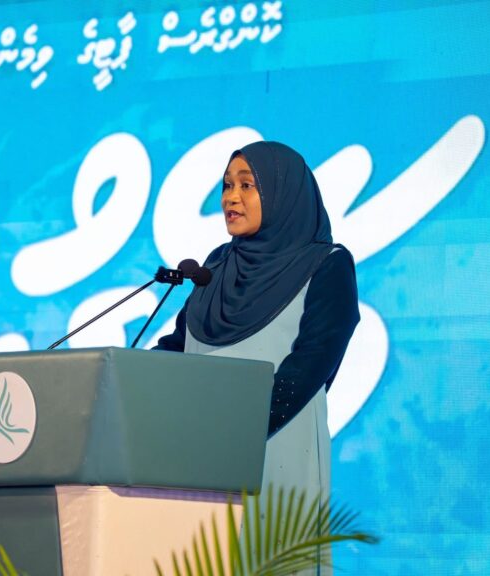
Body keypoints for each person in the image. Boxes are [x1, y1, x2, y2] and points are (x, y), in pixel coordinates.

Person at [154, 140, 359, 575]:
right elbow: (176, 347)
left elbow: (313, 362)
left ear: (283, 193)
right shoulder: (214, 268)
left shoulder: (327, 265)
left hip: (274, 451)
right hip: (198, 464)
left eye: (247, 185)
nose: (231, 198)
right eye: (227, 185)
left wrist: (235, 430)